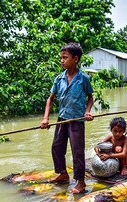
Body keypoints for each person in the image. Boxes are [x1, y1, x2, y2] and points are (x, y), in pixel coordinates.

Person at [40, 42, 93, 194]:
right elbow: (50, 99)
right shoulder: (59, 79)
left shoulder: (83, 78)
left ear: (75, 59)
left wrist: (87, 112)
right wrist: (45, 118)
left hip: (77, 120)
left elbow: (90, 98)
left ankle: (80, 182)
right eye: (61, 57)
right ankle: (63, 174)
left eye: (65, 57)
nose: (62, 60)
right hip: (62, 119)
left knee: (77, 151)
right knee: (57, 147)